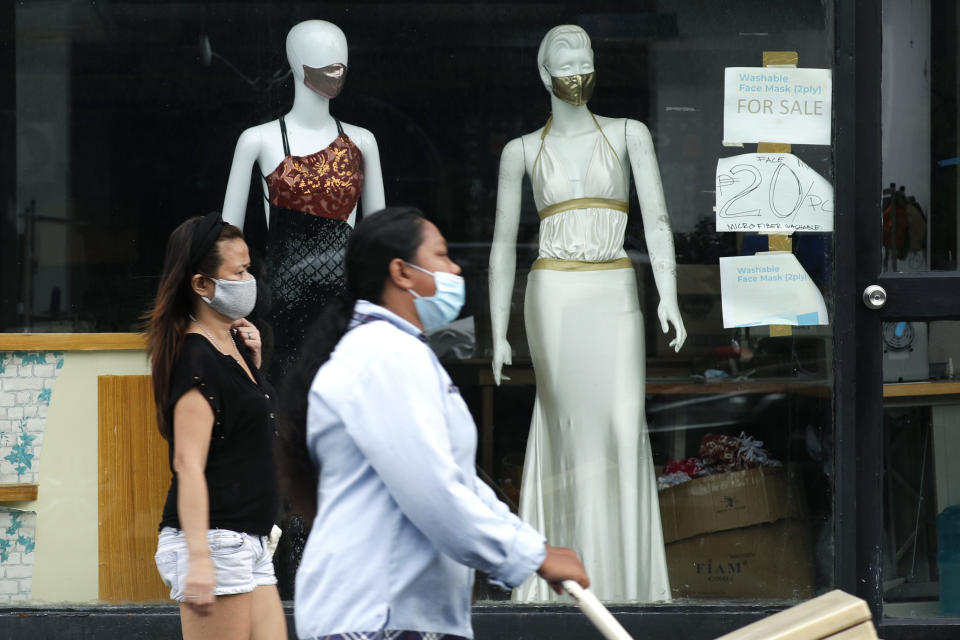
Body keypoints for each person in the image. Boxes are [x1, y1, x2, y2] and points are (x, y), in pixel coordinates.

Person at [279, 206, 589, 640]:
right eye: (441, 255)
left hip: (400, 614)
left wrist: (527, 546)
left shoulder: (400, 352)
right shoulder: (385, 355)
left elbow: (458, 482)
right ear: (401, 273)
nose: (454, 267)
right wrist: (529, 554)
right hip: (378, 617)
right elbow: (432, 488)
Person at [488, 24, 686, 602]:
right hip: (554, 296)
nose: (578, 69)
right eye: (566, 60)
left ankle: (628, 582)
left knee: (623, 427)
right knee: (569, 435)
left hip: (616, 290)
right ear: (545, 74)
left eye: (586, 58)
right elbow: (502, 247)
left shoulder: (630, 135)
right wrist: (499, 331)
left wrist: (666, 295)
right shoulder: (521, 150)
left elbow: (658, 222)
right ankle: (566, 584)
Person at [145, 211, 286, 640]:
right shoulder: (195, 359)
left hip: (250, 540)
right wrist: (199, 557)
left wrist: (255, 370)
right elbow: (188, 464)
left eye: (249, 269)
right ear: (202, 285)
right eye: (239, 272)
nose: (249, 281)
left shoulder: (233, 345)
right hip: (216, 541)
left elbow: (244, 432)